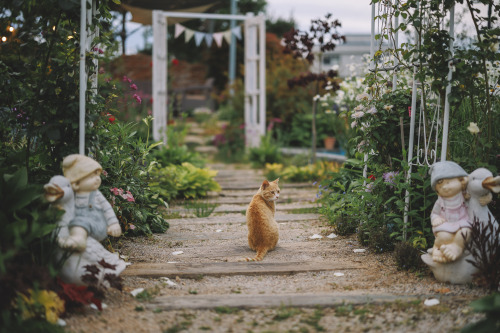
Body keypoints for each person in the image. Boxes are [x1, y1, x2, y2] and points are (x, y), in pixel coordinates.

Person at [58, 154, 121, 252]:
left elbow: (107, 208)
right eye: (92, 176)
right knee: (79, 224)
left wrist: (113, 223)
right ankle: (85, 247)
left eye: (97, 175)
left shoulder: (96, 194)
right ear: (76, 182)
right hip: (83, 224)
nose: (97, 179)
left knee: (80, 225)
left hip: (96, 224)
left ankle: (78, 241)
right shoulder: (73, 193)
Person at [429, 161, 471, 263]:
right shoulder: (440, 201)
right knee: (444, 236)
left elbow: (479, 197)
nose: (445, 187)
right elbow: (434, 213)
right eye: (440, 186)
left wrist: (486, 198)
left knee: (465, 233)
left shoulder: (465, 195)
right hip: (446, 225)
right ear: (437, 190)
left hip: (463, 222)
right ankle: (437, 248)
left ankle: (456, 247)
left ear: (461, 180)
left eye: (448, 182)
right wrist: (436, 218)